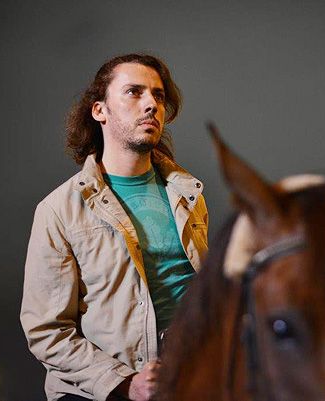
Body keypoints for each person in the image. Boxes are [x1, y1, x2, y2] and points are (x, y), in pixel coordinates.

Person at [20, 54, 208, 401]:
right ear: (99, 111)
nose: (151, 104)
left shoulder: (188, 195)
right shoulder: (58, 210)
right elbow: (47, 331)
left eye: (158, 95)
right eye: (134, 92)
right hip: (102, 392)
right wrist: (126, 383)